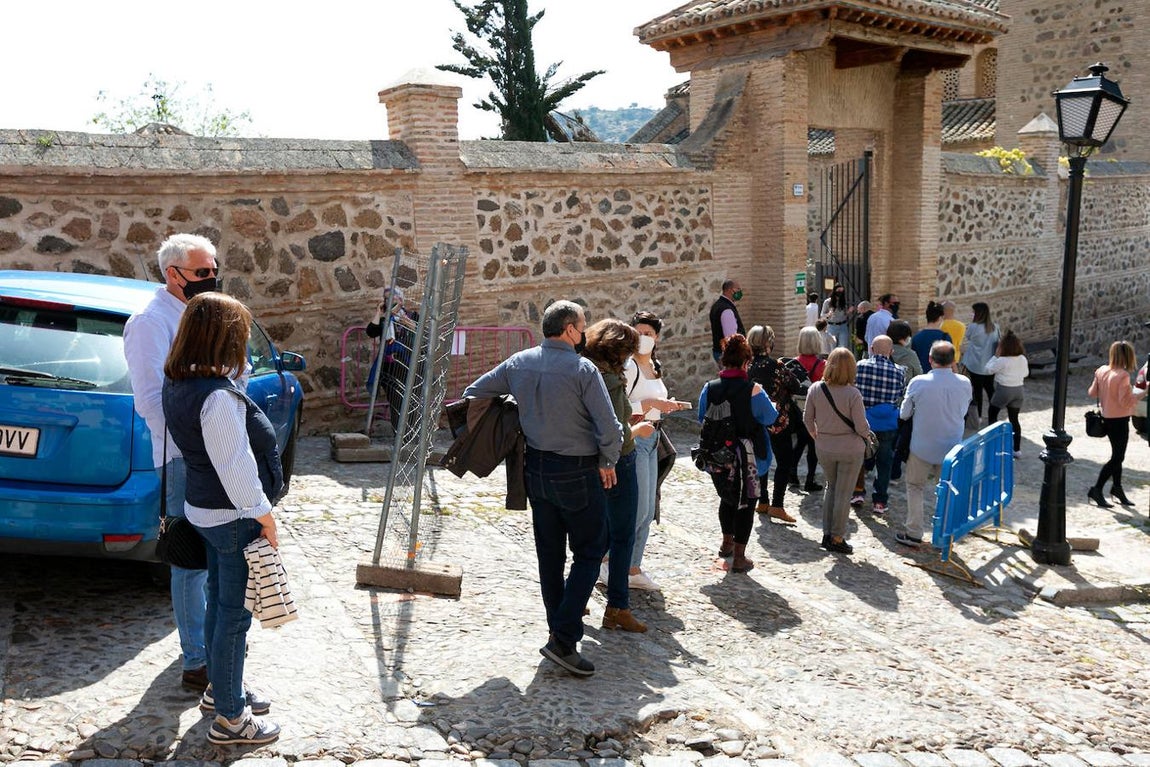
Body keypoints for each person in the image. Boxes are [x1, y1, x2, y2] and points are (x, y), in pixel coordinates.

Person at [463, 300, 623, 677]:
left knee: (549, 556)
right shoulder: (583, 369)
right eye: (582, 326)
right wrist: (609, 460)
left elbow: (474, 391)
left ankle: (558, 633)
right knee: (591, 550)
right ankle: (563, 638)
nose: (584, 333)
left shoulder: (519, 362)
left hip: (535, 469)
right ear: (569, 330)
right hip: (578, 471)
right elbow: (609, 426)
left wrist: (518, 414)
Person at [162, 293, 282, 746]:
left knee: (218, 602)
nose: (245, 344)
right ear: (224, 339)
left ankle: (220, 690)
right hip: (232, 516)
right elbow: (236, 468)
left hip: (204, 511)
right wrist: (265, 517)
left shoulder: (179, 383)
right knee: (233, 617)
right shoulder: (216, 398)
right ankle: (232, 719)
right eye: (241, 337)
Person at [123, 232, 220, 693]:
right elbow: (149, 400)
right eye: (202, 271)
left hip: (216, 451)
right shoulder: (149, 322)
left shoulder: (204, 313)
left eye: (214, 269)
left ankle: (212, 646)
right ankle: (197, 661)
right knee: (190, 559)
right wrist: (199, 437)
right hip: (183, 455)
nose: (211, 277)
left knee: (218, 556)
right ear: (173, 274)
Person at [582, 319, 648, 633]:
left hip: (591, 463)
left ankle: (578, 595)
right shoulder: (608, 381)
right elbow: (615, 433)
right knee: (621, 536)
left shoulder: (585, 373)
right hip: (619, 463)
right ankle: (617, 606)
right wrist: (636, 429)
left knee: (596, 534)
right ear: (618, 352)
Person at [698, 334, 776, 573]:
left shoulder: (709, 388)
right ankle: (740, 557)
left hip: (718, 456)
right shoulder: (754, 390)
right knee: (746, 504)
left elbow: (702, 417)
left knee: (726, 498)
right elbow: (770, 417)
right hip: (748, 457)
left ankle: (726, 543)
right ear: (746, 362)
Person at [622, 311, 688, 592]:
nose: (642, 338)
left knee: (649, 508)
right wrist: (650, 404)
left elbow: (654, 401)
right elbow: (620, 407)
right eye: (638, 332)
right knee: (637, 509)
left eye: (648, 333)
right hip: (636, 438)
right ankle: (614, 561)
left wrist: (666, 405)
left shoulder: (655, 366)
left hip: (654, 437)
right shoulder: (628, 366)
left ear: (657, 337)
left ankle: (632, 566)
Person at [898, 341, 971, 548]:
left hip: (922, 446)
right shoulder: (965, 383)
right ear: (953, 360)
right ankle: (944, 534)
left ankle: (914, 531)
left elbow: (904, 414)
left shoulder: (918, 382)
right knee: (947, 489)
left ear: (930, 359)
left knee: (915, 487)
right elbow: (964, 411)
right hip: (951, 446)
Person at [802, 348, 870, 554]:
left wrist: (817, 436)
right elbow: (861, 427)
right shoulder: (853, 394)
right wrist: (868, 435)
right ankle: (837, 537)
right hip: (850, 450)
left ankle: (826, 533)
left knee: (830, 488)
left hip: (825, 447)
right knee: (843, 493)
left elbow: (807, 419)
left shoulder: (816, 388)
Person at [746, 325, 800, 524]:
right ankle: (777, 505)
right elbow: (795, 385)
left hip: (755, 421)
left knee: (762, 459)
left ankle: (763, 501)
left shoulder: (747, 366)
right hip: (777, 421)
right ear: (768, 343)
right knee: (784, 461)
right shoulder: (776, 365)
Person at [1086, 340, 1147, 508]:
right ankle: (1096, 489)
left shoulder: (1102, 370)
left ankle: (1117, 488)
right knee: (1117, 457)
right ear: (1128, 356)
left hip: (1107, 418)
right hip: (1119, 420)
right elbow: (1126, 402)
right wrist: (1143, 391)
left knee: (1116, 455)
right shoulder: (1123, 376)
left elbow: (1092, 393)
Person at [853, 336, 906, 515]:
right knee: (884, 463)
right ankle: (880, 501)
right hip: (887, 424)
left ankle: (857, 492)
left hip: (864, 421)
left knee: (859, 457)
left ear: (871, 349)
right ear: (891, 351)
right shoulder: (899, 371)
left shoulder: (859, 366)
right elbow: (899, 394)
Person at [365, 286, 415, 431]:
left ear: (401, 299)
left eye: (392, 297)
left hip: (408, 364)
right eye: (386, 298)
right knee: (395, 401)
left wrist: (406, 322)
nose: (389, 301)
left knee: (411, 399)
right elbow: (371, 331)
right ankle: (399, 433)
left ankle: (412, 432)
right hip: (390, 366)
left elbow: (421, 332)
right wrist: (379, 312)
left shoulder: (411, 316)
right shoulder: (384, 320)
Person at [788, 326, 827, 492]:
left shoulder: (792, 364)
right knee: (812, 446)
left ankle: (792, 474)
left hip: (796, 410)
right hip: (815, 411)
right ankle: (810, 480)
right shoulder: (822, 365)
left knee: (800, 441)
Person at [885, 320, 921, 481]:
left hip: (885, 401)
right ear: (905, 337)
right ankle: (895, 470)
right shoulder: (910, 355)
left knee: (886, 438)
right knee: (900, 440)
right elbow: (919, 377)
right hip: (903, 404)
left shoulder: (883, 350)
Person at [985, 330, 1029, 457]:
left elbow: (988, 370)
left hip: (1004, 390)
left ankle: (993, 444)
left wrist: (995, 356)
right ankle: (1017, 449)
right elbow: (1026, 373)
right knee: (1014, 419)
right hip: (1018, 390)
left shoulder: (1002, 360)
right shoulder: (1022, 359)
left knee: (992, 415)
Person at [961, 302, 999, 424]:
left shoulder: (973, 327)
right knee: (990, 389)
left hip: (976, 364)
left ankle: (978, 416)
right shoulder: (995, 327)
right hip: (990, 365)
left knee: (977, 391)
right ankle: (993, 415)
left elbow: (968, 337)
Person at [709, 279, 745, 363]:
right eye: (738, 289)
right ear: (730, 290)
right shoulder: (726, 310)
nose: (740, 292)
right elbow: (731, 338)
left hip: (719, 351)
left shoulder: (717, 305)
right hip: (728, 355)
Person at [911, 301, 952, 373]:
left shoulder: (916, 337)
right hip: (939, 374)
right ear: (940, 317)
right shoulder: (945, 337)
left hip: (921, 375)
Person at [821, 284, 852, 349]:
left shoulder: (843, 301)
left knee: (843, 347)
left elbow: (844, 314)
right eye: (839, 290)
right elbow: (822, 315)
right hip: (832, 326)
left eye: (842, 291)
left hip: (843, 326)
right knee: (832, 348)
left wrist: (848, 312)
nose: (840, 292)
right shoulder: (827, 302)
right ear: (835, 290)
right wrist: (828, 314)